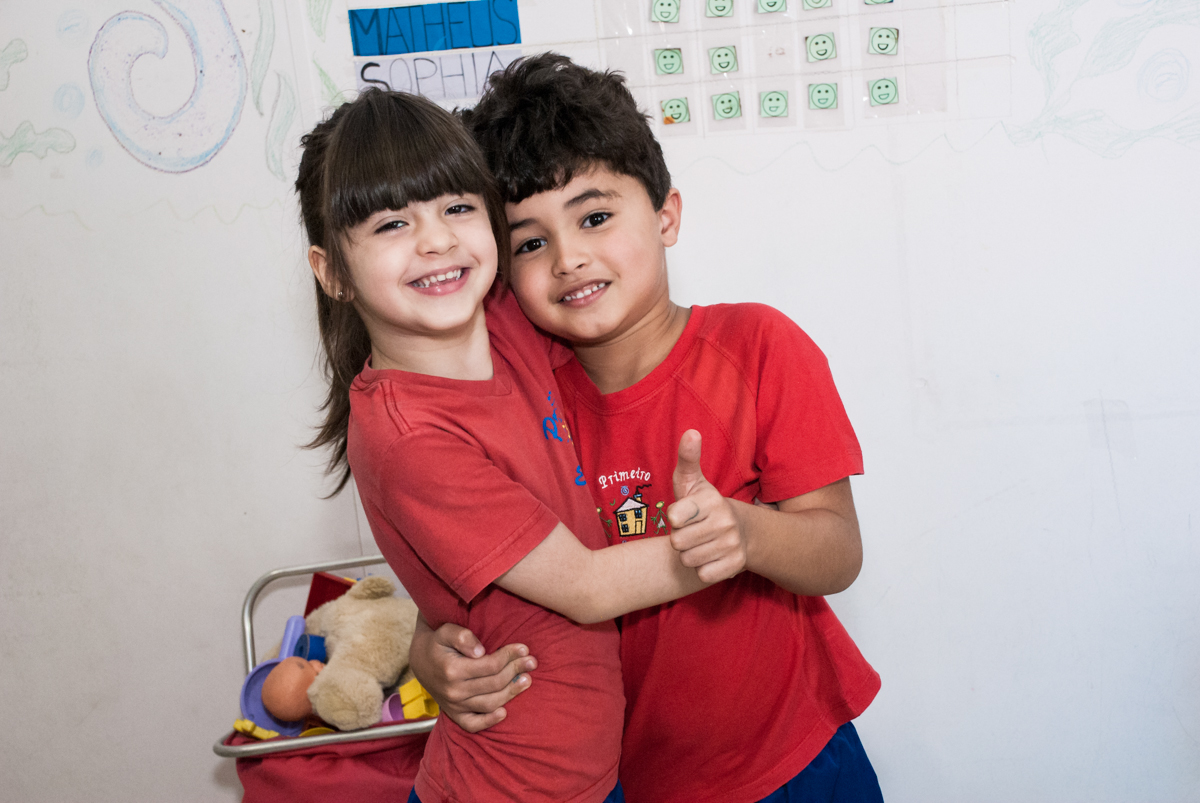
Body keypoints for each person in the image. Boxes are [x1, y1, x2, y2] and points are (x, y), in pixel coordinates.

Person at [408, 54, 884, 803]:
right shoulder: (515, 404)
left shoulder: (761, 347)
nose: (570, 258)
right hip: (616, 781)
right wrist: (430, 650)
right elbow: (481, 572)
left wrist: (745, 532)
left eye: (595, 217)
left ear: (666, 215)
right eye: (530, 241)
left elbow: (838, 552)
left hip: (791, 764)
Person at [296, 89, 727, 803]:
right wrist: (744, 537)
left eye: (457, 208)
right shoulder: (407, 435)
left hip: (590, 771)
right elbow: (588, 588)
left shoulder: (504, 317)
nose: (436, 240)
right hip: (515, 788)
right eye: (393, 223)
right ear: (333, 270)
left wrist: (425, 639)